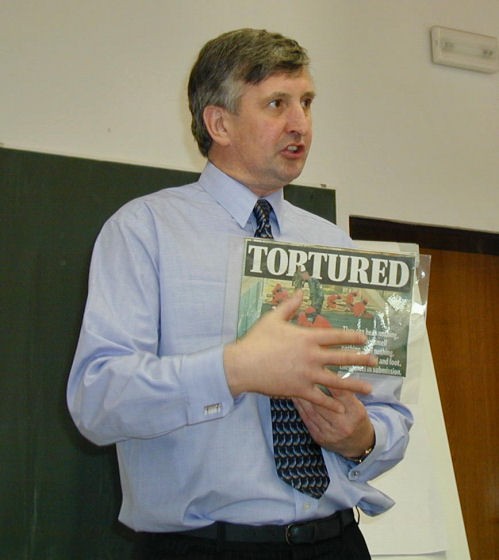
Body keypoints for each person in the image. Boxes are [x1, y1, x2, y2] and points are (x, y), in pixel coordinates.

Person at [67, 28, 413, 560]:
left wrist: (362, 437)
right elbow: (97, 403)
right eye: (277, 103)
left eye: (306, 102)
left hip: (337, 542)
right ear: (219, 123)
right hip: (205, 547)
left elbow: (388, 410)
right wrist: (235, 370)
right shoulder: (144, 231)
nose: (300, 123)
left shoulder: (336, 246)